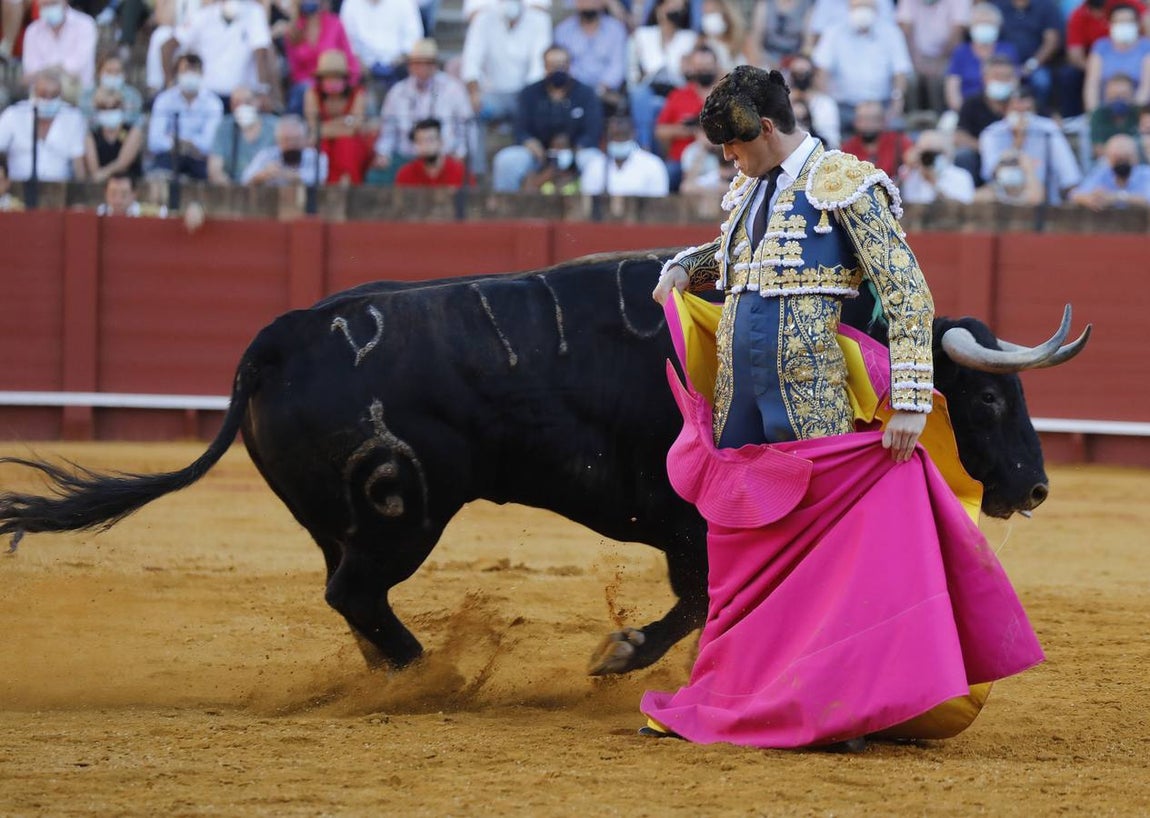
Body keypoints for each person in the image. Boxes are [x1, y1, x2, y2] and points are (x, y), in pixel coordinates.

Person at [644, 64, 1044, 750]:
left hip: (811, 395)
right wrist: (689, 264)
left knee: (824, 553)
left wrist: (913, 399)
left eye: (736, 147)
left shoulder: (847, 183)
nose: (730, 161)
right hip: (743, 397)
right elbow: (739, 251)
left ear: (767, 128)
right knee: (743, 546)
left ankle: (830, 702)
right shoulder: (751, 187)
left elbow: (909, 293)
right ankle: (744, 690)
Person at [490, 44, 603, 193]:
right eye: (553, 65)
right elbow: (520, 129)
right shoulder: (529, 93)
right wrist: (531, 144)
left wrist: (575, 151)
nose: (558, 69)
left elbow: (593, 131)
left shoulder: (586, 94)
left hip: (577, 151)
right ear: (545, 67)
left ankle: (593, 212)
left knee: (596, 162)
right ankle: (506, 211)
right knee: (507, 161)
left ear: (570, 66)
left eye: (563, 65)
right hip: (538, 154)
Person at [372, 38, 473, 184]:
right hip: (407, 156)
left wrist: (460, 154)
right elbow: (388, 131)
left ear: (435, 65)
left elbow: (466, 127)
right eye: (418, 63)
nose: (423, 68)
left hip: (443, 157)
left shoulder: (453, 89)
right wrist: (383, 153)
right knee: (377, 176)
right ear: (410, 65)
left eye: (428, 63)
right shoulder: (397, 92)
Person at [811, 0, 913, 127]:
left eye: (867, 7)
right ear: (849, 8)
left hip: (881, 107)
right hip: (843, 107)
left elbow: (900, 71)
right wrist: (828, 106)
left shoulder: (891, 32)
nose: (862, 11)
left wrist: (896, 104)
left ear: (876, 9)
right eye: (858, 7)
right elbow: (822, 70)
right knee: (823, 123)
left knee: (897, 126)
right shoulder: (834, 32)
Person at [979, 86, 1082, 201]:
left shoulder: (1048, 129)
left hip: (1043, 202)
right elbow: (991, 174)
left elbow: (1068, 174)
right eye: (1017, 110)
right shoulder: (992, 133)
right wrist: (1017, 143)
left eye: (1026, 110)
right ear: (1005, 109)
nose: (1022, 116)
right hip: (1002, 199)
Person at [169, 0, 276, 110]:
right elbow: (167, 46)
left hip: (240, 98)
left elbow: (261, 52)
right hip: (207, 97)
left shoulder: (253, 12)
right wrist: (170, 82)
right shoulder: (204, 15)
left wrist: (263, 89)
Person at [460, 0, 552, 126]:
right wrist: (474, 92)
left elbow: (538, 65)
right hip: (492, 93)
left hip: (524, 93)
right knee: (468, 108)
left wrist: (528, 97)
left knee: (539, 105)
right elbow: (471, 60)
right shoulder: (483, 19)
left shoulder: (540, 20)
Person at [627, 0, 698, 151]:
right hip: (648, 88)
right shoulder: (642, 35)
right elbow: (632, 71)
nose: (677, 9)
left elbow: (689, 72)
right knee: (640, 95)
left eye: (681, 7)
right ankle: (643, 148)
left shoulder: (690, 38)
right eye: (672, 4)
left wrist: (686, 67)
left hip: (677, 90)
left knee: (661, 107)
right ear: (659, 8)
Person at [0, 68, 87, 181]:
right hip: (17, 187)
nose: (48, 100)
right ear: (34, 93)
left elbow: (78, 163)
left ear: (61, 95)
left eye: (54, 95)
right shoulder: (13, 114)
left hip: (60, 189)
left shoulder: (73, 118)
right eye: (43, 94)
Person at [147, 53, 224, 180]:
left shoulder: (213, 103)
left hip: (199, 159)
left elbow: (210, 143)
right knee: (158, 177)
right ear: (177, 74)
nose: (190, 74)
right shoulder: (164, 100)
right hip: (169, 157)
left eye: (194, 70)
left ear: (202, 73)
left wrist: (183, 143)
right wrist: (179, 145)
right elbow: (154, 141)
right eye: (186, 70)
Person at [655, 45, 720, 191]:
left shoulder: (725, 96)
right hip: (680, 162)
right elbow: (660, 131)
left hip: (718, 160)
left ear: (716, 66)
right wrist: (690, 131)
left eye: (707, 66)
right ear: (692, 68)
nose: (704, 70)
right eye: (699, 67)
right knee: (666, 175)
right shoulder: (679, 95)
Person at [303, 48, 372, 184]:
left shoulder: (358, 93)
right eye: (328, 77)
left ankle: (348, 185)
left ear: (345, 79)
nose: (332, 82)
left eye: (336, 77)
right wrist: (345, 122)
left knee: (346, 144)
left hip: (351, 144)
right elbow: (314, 128)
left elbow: (355, 127)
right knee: (321, 146)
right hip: (324, 143)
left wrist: (326, 129)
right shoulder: (312, 94)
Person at [283, 0, 360, 115]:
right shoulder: (294, 31)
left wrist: (346, 82)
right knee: (305, 92)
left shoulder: (335, 24)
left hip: (337, 82)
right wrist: (317, 85)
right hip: (306, 87)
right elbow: (295, 71)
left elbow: (349, 60)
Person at [552, 0, 628, 114]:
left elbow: (617, 66)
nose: (588, 3)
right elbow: (561, 64)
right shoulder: (563, 30)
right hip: (573, 90)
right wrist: (581, 88)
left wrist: (600, 88)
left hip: (606, 93)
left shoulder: (616, 29)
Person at [896, 0, 971, 113]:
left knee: (940, 78)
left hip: (947, 56)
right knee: (911, 80)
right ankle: (914, 118)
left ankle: (938, 117)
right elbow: (906, 31)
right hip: (914, 55)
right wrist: (917, 61)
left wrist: (939, 62)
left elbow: (957, 33)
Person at [943, 1, 1019, 111]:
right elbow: (952, 87)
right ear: (971, 27)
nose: (984, 27)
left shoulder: (1007, 50)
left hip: (1002, 110)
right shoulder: (961, 52)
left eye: (988, 23)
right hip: (966, 109)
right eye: (980, 23)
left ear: (998, 26)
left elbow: (1014, 83)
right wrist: (962, 112)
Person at [990, 0, 1061, 112]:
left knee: (1042, 81)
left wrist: (1031, 65)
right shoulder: (998, 5)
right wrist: (1008, 68)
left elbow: (1051, 41)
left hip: (1036, 64)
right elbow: (992, 39)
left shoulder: (1046, 6)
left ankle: (1038, 115)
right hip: (1003, 63)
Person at [954, 54, 1016, 183]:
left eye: (1007, 77)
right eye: (997, 77)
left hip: (1018, 155)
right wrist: (989, 149)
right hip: (981, 155)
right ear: (985, 78)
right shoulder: (972, 103)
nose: (1002, 81)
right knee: (964, 156)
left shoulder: (1021, 103)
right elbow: (960, 136)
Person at [339, 0, 423, 90]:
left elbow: (414, 38)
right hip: (362, 67)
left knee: (417, 66)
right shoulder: (351, 3)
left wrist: (399, 60)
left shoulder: (405, 2)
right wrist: (359, 63)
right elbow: (346, 39)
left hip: (398, 65)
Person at [20, 0, 97, 96]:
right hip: (42, 94)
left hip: (78, 93)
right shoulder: (32, 31)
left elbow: (77, 67)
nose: (49, 8)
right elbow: (30, 70)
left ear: (65, 2)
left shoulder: (85, 25)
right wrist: (57, 69)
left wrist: (46, 71)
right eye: (45, 5)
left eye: (53, 3)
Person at [580, 114, 670, 196]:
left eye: (623, 135)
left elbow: (659, 203)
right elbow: (588, 201)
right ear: (607, 137)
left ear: (633, 135)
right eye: (614, 136)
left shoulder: (653, 165)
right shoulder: (595, 165)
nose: (618, 140)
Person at [1083, 4, 1150, 112]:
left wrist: (1133, 115)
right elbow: (1092, 86)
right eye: (1119, 22)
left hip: (1138, 112)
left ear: (1138, 24)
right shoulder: (1101, 47)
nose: (1124, 25)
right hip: (1105, 111)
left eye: (1129, 21)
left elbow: (1146, 88)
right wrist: (1094, 114)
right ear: (1110, 24)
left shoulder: (1146, 47)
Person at [208, 85, 278, 184]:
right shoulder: (224, 127)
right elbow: (215, 169)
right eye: (236, 103)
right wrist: (234, 192)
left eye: (247, 102)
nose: (242, 107)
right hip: (233, 190)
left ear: (257, 102)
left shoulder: (275, 126)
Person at [242, 114, 329, 185]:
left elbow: (318, 180)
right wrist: (263, 175)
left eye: (295, 139)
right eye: (286, 140)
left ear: (304, 139)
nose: (291, 144)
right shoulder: (267, 155)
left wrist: (285, 174)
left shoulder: (316, 157)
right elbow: (244, 180)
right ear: (278, 140)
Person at [1070, 132, 1150, 206]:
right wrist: (1090, 199)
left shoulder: (1146, 174)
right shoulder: (1103, 173)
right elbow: (1074, 195)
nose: (1121, 163)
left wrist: (1117, 197)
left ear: (1135, 158)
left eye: (1125, 159)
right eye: (1118, 159)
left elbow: (1147, 199)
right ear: (1109, 159)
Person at [899, 128, 976, 203]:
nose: (928, 158)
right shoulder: (910, 174)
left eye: (933, 153)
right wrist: (908, 167)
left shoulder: (961, 177)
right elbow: (890, 199)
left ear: (946, 153)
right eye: (924, 154)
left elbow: (961, 210)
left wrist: (933, 184)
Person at [84, 87, 144, 182]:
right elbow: (93, 169)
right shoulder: (92, 135)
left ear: (122, 107)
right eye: (103, 107)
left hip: (130, 183)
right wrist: (99, 176)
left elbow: (123, 162)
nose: (108, 111)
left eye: (114, 107)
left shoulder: (132, 131)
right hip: (101, 186)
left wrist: (103, 174)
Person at [840, 100, 912, 177]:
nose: (868, 124)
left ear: (883, 121)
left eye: (873, 119)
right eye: (862, 120)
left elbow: (912, 156)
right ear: (855, 122)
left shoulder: (897, 141)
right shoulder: (848, 148)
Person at [394, 117, 472, 187]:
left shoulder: (461, 172)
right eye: (420, 141)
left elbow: (474, 200)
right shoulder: (405, 174)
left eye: (430, 140)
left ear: (441, 141)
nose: (425, 145)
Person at [78, 52, 144, 127]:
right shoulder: (88, 94)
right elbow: (84, 119)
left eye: (117, 71)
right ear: (99, 73)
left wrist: (119, 103)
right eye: (109, 71)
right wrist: (97, 103)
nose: (113, 75)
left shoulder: (132, 94)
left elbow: (133, 117)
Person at [1089, 72, 1142, 156]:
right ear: (1106, 96)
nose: (1118, 99)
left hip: (1139, 162)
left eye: (1124, 95)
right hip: (1108, 162)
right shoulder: (1099, 114)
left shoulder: (1140, 113)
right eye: (1114, 95)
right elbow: (1098, 149)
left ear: (1132, 95)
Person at [973, 148, 1045, 202]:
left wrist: (1029, 171)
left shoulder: (1035, 189)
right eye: (1004, 163)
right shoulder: (991, 191)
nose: (1010, 167)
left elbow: (1035, 199)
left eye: (1015, 163)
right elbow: (976, 198)